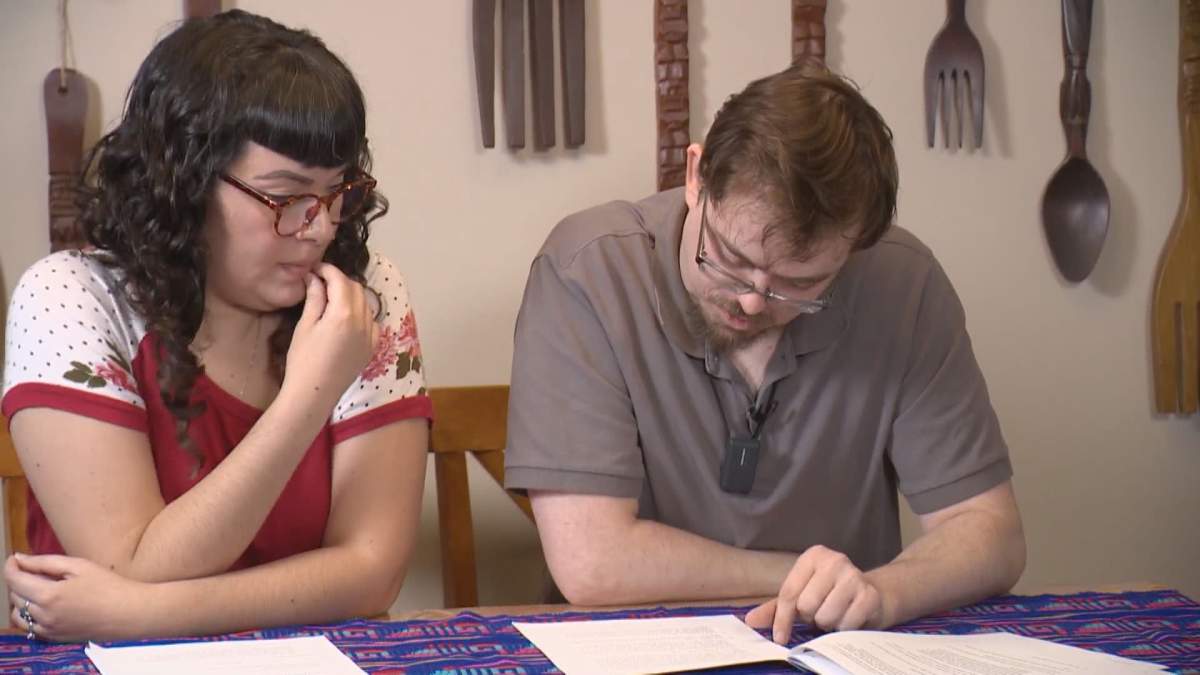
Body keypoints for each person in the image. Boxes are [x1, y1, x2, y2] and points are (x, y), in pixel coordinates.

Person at [504, 63, 1025, 641]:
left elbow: (989, 531)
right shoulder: (588, 272)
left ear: (855, 251)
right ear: (697, 175)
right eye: (727, 257)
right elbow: (592, 563)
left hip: (834, 645)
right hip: (632, 645)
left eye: (798, 285)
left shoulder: (906, 285)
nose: (752, 302)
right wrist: (805, 579)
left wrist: (881, 592)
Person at [0, 10, 430, 641]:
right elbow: (137, 564)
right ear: (184, 183)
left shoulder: (365, 294)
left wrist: (135, 613)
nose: (321, 225)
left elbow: (372, 574)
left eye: (339, 192)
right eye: (285, 196)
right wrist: (308, 397)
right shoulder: (70, 294)